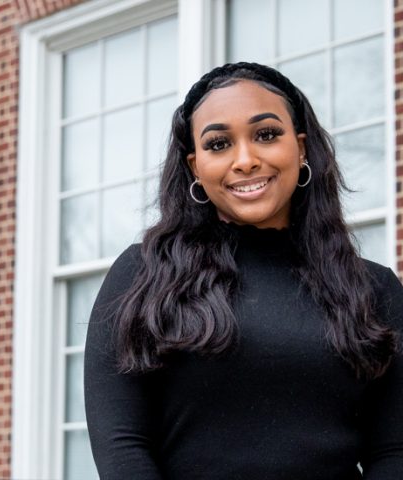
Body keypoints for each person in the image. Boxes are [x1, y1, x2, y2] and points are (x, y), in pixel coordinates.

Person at [83, 62, 403, 480]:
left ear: (301, 147)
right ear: (195, 166)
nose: (246, 160)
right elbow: (122, 447)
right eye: (219, 144)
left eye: (266, 135)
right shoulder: (143, 274)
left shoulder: (375, 289)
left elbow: (394, 451)